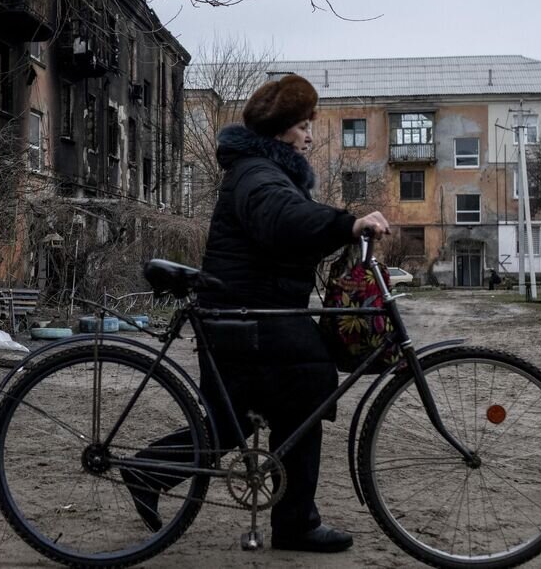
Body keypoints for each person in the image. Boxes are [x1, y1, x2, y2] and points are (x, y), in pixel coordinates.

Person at [123, 74, 389, 553]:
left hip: (244, 316)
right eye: (306, 125)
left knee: (230, 422)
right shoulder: (257, 174)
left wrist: (337, 228)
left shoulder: (261, 170)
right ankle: (295, 525)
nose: (310, 135)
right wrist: (348, 223)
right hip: (244, 322)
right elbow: (284, 220)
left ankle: (148, 472)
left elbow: (289, 218)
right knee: (305, 380)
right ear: (286, 128)